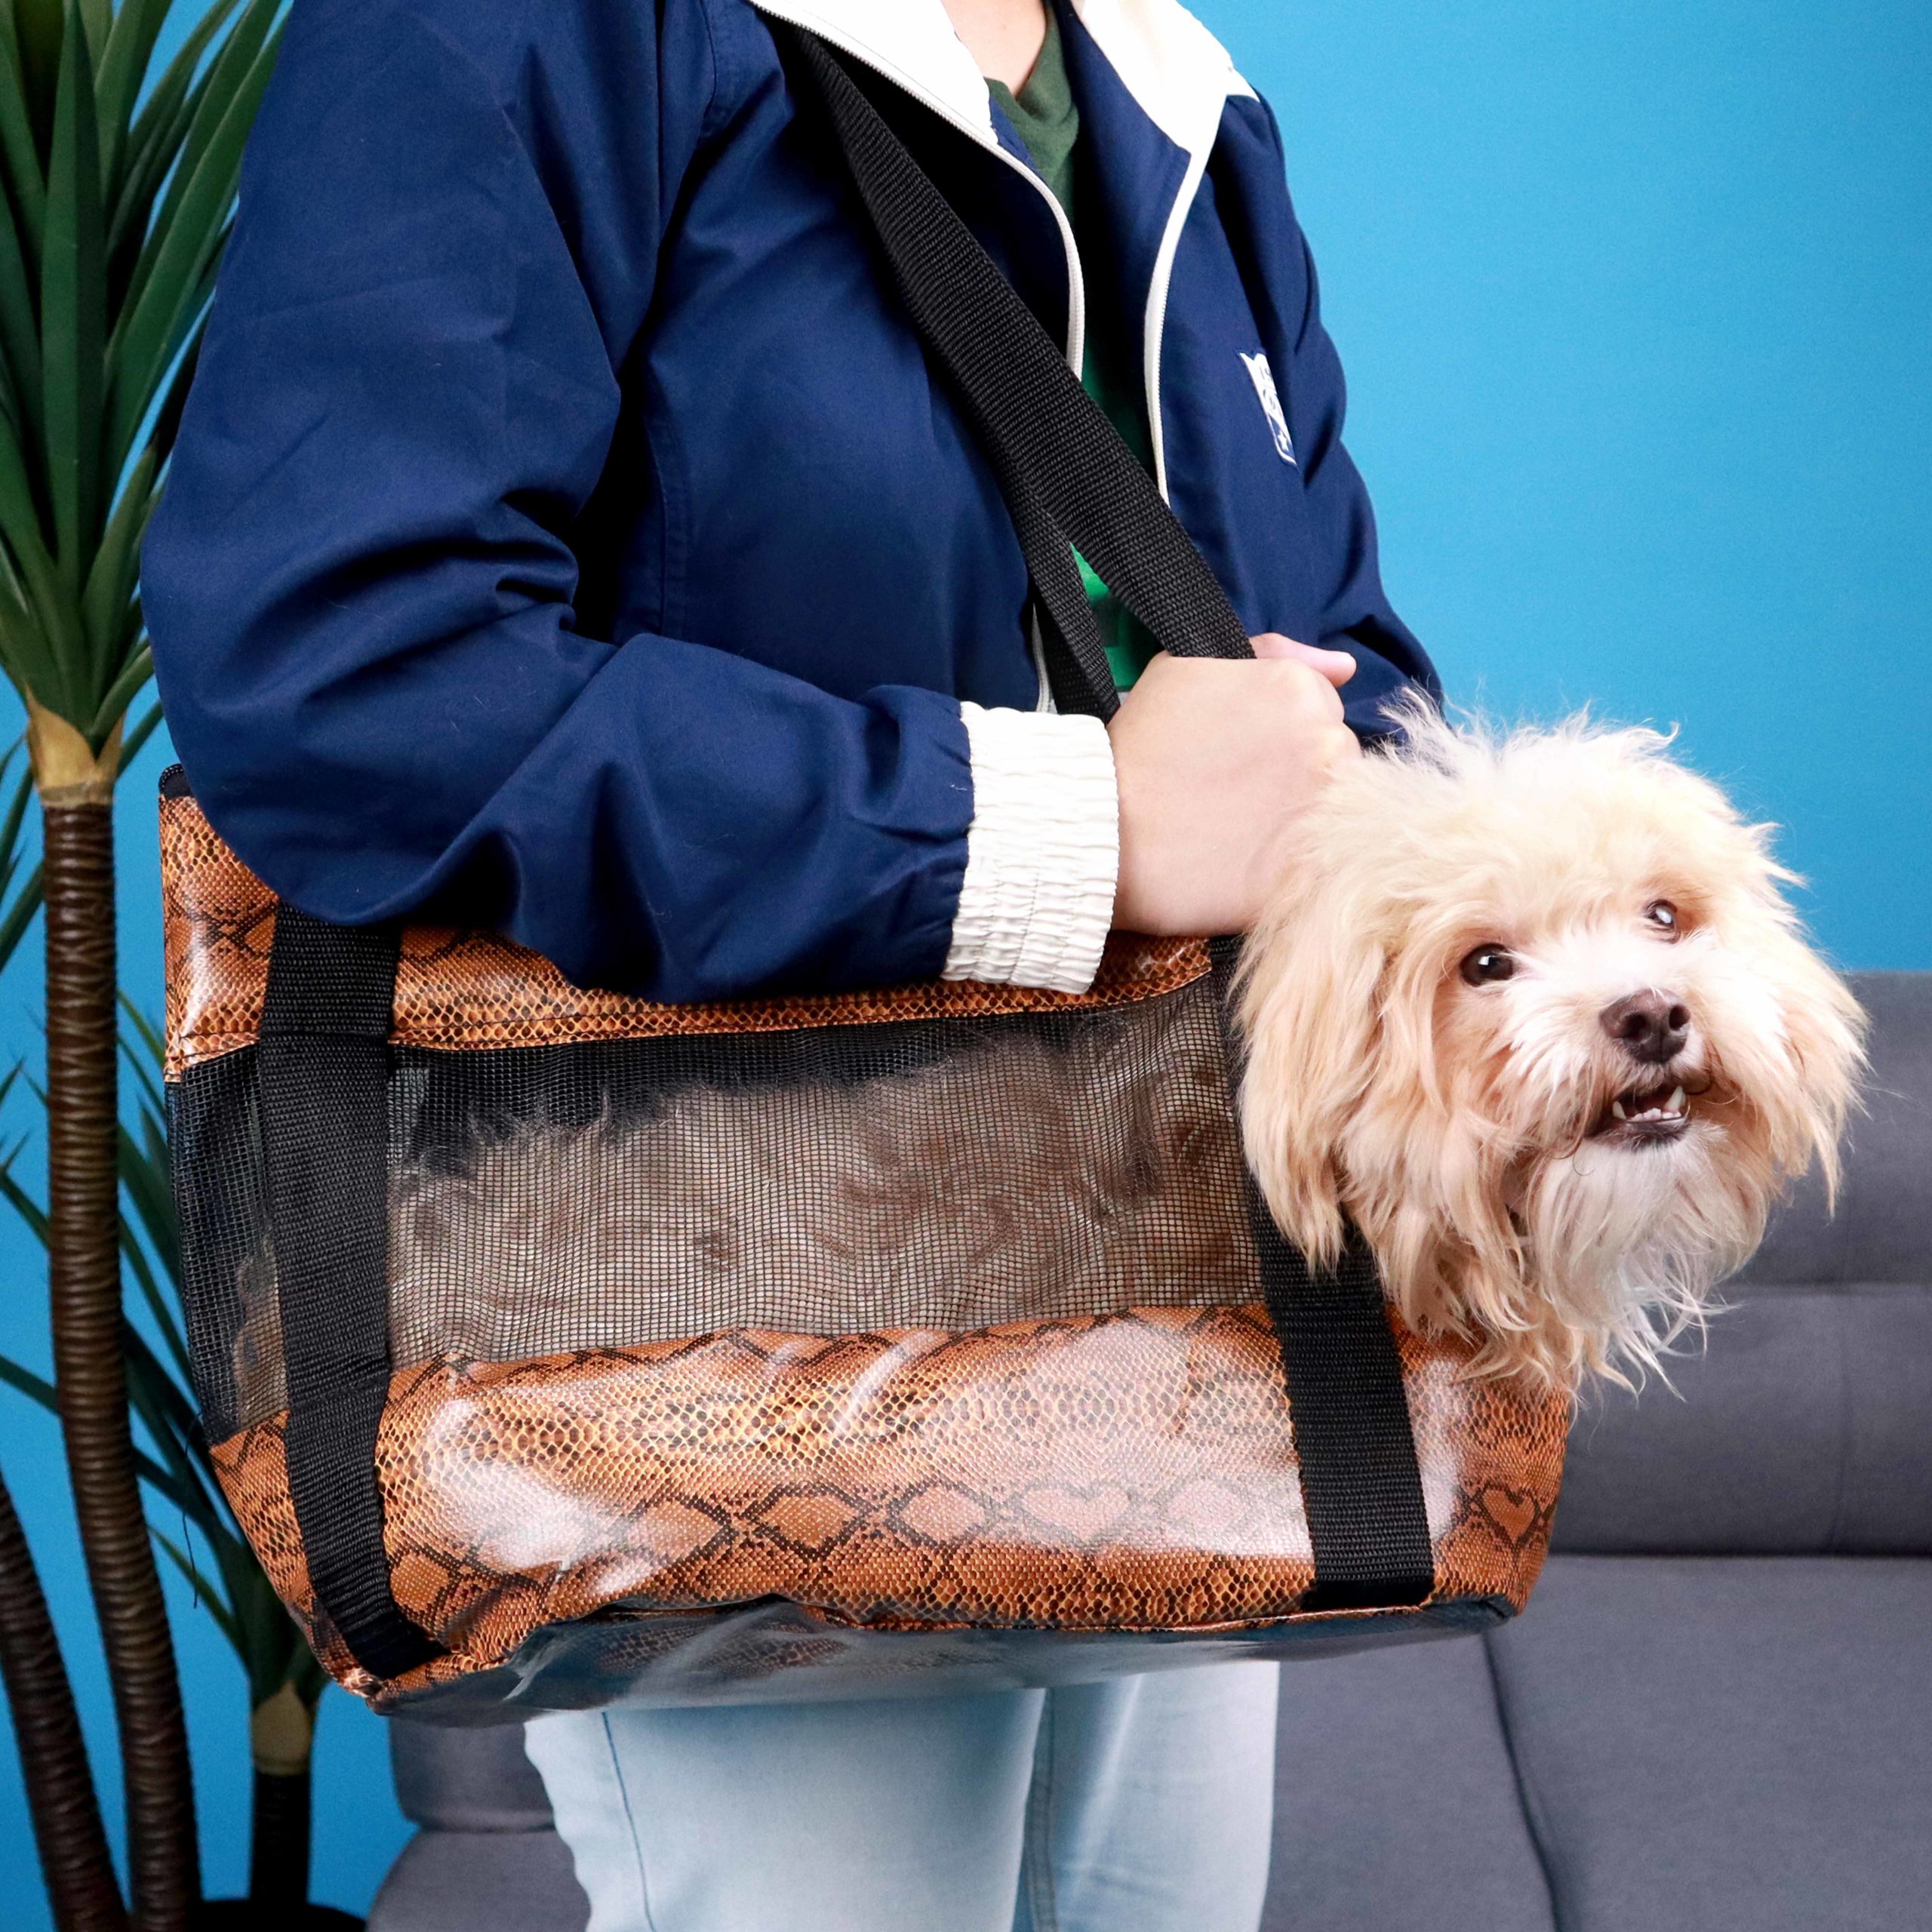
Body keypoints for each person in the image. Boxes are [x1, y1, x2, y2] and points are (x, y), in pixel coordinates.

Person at [143, 0, 1438, 1926]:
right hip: (728, 1295)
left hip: (1183, 1281)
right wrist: (1069, 820)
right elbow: (351, 669)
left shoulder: (1173, 89)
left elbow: (1326, 679)